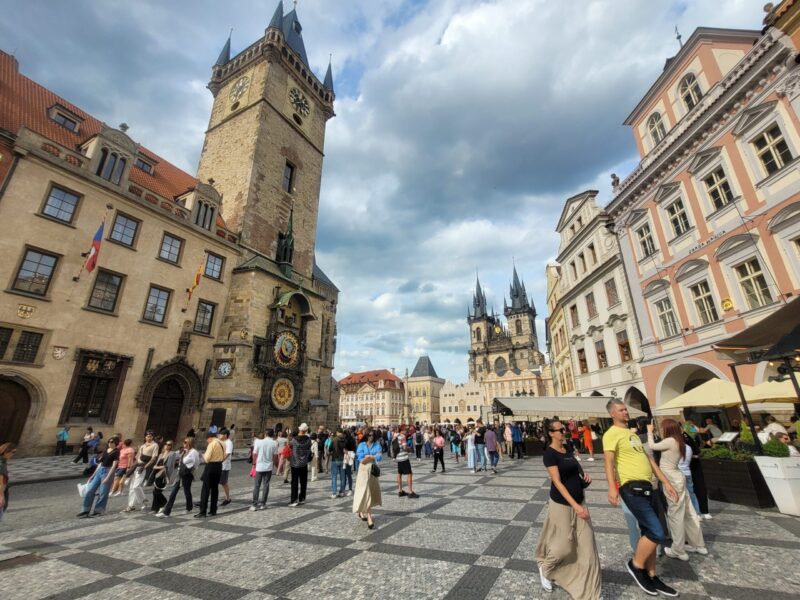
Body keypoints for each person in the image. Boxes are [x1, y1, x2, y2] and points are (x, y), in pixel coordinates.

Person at [603, 400, 679, 597]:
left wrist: (666, 482)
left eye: (625, 408)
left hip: (649, 487)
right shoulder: (611, 434)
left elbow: (650, 460)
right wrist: (612, 487)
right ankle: (636, 564)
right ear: (612, 414)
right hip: (631, 488)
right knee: (657, 532)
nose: (625, 412)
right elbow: (609, 462)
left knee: (649, 532)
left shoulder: (632, 434)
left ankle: (652, 575)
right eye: (621, 410)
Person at [535, 420, 601, 599]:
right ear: (551, 433)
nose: (564, 431)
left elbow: (574, 473)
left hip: (579, 500)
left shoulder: (568, 448)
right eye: (560, 430)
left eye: (564, 428)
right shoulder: (549, 454)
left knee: (588, 546)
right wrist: (576, 506)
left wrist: (584, 480)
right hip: (562, 504)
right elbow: (557, 482)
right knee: (563, 546)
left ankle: (591, 593)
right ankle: (545, 569)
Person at [647, 420, 707, 561]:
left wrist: (649, 431)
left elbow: (652, 446)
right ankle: (698, 544)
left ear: (667, 428)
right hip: (678, 476)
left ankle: (678, 549)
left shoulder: (669, 441)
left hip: (671, 480)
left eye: (662, 428)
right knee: (689, 512)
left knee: (675, 514)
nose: (661, 430)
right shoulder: (679, 441)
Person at [158, 437, 199, 518]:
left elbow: (195, 462)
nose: (184, 444)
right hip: (180, 474)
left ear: (190, 443)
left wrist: (189, 466)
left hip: (187, 475)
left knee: (187, 491)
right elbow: (179, 459)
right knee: (173, 492)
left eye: (185, 442)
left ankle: (189, 507)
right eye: (184, 442)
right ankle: (167, 512)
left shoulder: (193, 452)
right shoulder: (184, 451)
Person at [78, 437, 119, 517]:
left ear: (115, 443)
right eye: (109, 441)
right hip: (100, 470)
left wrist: (107, 477)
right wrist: (93, 475)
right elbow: (100, 463)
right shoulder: (106, 450)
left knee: (103, 492)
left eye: (112, 442)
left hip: (108, 471)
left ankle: (99, 510)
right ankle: (85, 510)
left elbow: (114, 466)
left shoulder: (116, 452)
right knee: (90, 490)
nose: (110, 443)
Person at [354, 431, 383, 529]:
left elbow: (379, 456)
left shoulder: (377, 444)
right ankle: (369, 517)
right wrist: (372, 456)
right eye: (370, 435)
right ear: (366, 436)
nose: (371, 436)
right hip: (363, 470)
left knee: (370, 492)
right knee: (365, 492)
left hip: (373, 471)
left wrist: (370, 456)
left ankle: (361, 512)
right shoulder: (362, 445)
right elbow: (361, 459)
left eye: (373, 435)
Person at [125, 431, 158, 512]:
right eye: (147, 436)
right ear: (145, 437)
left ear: (152, 437)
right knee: (132, 487)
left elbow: (154, 458)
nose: (148, 437)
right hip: (136, 466)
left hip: (143, 467)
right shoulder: (142, 446)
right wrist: (131, 467)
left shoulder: (155, 445)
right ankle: (131, 505)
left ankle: (144, 501)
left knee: (136, 486)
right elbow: (137, 457)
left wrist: (145, 467)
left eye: (150, 436)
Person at [196, 429, 225, 518]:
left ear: (209, 438)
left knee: (205, 489)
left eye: (207, 440)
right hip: (219, 466)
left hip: (211, 467)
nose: (207, 442)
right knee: (215, 489)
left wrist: (203, 455)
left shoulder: (212, 444)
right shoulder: (222, 443)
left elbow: (207, 459)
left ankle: (203, 511)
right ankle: (213, 510)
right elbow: (224, 456)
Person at [250, 429, 277, 510]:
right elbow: (275, 456)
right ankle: (263, 503)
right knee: (266, 485)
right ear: (272, 435)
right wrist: (273, 464)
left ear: (265, 434)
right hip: (268, 466)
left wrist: (254, 464)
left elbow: (254, 454)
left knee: (257, 485)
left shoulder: (258, 442)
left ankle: (254, 504)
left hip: (259, 466)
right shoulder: (274, 443)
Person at [151, 440, 178, 514]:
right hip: (157, 474)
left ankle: (163, 502)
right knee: (155, 491)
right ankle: (155, 508)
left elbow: (169, 466)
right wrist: (159, 467)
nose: (167, 445)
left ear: (171, 446)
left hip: (164, 474)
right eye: (166, 444)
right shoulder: (161, 454)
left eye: (169, 444)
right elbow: (155, 466)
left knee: (157, 491)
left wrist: (159, 467)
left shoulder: (172, 454)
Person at [289, 423, 313, 507]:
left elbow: (290, 446)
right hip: (304, 463)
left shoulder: (294, 440)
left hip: (295, 463)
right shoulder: (308, 440)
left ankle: (294, 500)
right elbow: (309, 449)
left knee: (294, 482)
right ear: (306, 430)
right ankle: (302, 498)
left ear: (299, 430)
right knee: (303, 481)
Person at [395, 434, 419, 498]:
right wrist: (409, 448)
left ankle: (400, 491)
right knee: (409, 473)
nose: (406, 431)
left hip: (398, 457)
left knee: (399, 473)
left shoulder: (396, 436)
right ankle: (410, 492)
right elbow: (404, 447)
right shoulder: (402, 437)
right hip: (404, 457)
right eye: (405, 429)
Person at [0, 442, 16, 522]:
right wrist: (1, 496)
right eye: (13, 452)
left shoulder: (3, 461)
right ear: (6, 451)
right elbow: (1, 482)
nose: (13, 454)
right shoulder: (1, 464)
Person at [329, 428, 346, 499]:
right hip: (343, 459)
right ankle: (341, 492)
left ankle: (334, 493)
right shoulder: (345, 440)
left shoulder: (334, 439)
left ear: (338, 432)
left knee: (334, 477)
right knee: (342, 477)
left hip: (335, 459)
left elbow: (330, 449)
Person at [219, 428, 234, 506]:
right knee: (213, 481)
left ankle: (228, 498)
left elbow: (228, 453)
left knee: (224, 483)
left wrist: (220, 460)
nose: (219, 435)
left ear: (225, 435)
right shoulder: (221, 442)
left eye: (221, 434)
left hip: (224, 466)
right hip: (218, 465)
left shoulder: (229, 443)